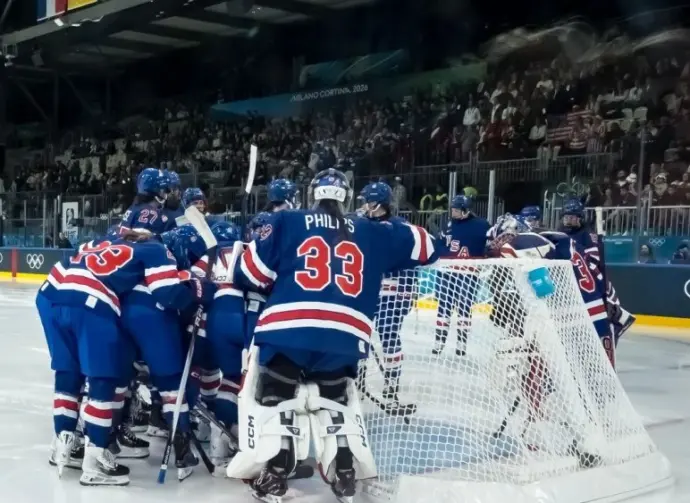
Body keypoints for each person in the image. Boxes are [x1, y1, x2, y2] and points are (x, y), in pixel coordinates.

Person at [225, 168, 438, 503]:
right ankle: (344, 470)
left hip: (288, 328)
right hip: (347, 334)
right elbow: (429, 247)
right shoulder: (373, 231)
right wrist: (384, 223)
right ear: (349, 197)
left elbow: (248, 274)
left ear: (312, 195)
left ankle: (277, 472)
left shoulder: (287, 221)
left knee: (276, 394)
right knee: (334, 396)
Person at [36, 229, 216, 486]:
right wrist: (198, 293)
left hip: (49, 293)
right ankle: (96, 459)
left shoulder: (101, 240)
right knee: (103, 378)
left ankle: (63, 445)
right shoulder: (155, 249)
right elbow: (167, 293)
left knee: (68, 372)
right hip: (91, 301)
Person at [358, 181, 412, 402]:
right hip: (366, 290)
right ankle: (357, 376)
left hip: (393, 291)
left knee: (388, 335)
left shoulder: (400, 227)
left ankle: (392, 380)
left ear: (378, 203)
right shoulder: (360, 224)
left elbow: (411, 260)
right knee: (358, 333)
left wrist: (407, 290)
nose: (362, 204)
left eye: (366, 201)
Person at [433, 195, 490, 356]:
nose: (453, 212)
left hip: (468, 273)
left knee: (465, 308)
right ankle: (439, 342)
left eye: (457, 210)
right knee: (443, 306)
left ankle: (461, 343)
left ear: (466, 210)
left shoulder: (481, 225)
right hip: (446, 272)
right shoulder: (449, 224)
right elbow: (440, 244)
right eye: (452, 209)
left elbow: (490, 245)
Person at [119, 168, 171, 235]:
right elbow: (142, 243)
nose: (165, 193)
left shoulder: (133, 208)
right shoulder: (150, 214)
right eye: (164, 190)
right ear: (157, 190)